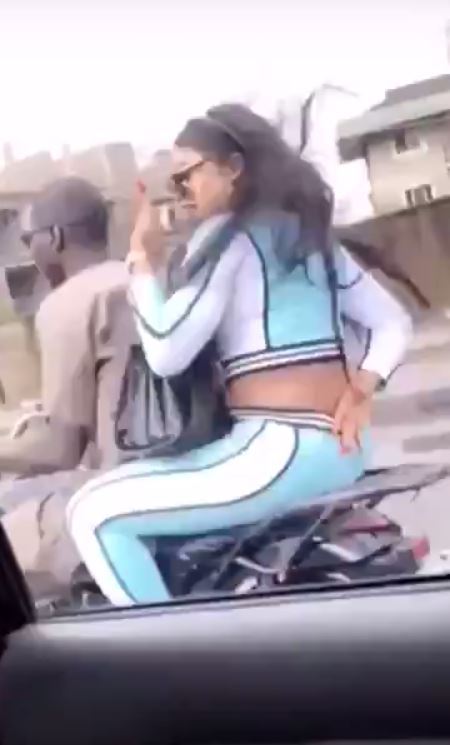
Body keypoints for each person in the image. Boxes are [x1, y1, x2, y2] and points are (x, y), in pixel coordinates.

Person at [68, 105, 413, 607]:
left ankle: (172, 654)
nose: (180, 190)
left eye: (187, 175)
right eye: (173, 181)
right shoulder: (308, 236)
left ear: (232, 167)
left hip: (277, 454)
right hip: (341, 452)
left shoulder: (229, 240)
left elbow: (166, 351)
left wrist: (142, 262)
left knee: (92, 514)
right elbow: (393, 324)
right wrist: (362, 389)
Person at [0, 177, 134, 599]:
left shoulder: (67, 303)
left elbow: (60, 450)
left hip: (116, 481)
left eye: (29, 240)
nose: (28, 252)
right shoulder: (147, 278)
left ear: (54, 238)